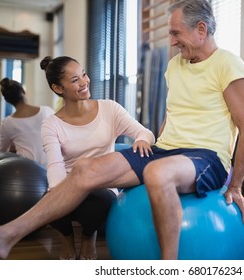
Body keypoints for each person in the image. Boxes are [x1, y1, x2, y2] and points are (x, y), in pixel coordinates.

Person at [0, 0, 244, 260]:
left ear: (201, 29)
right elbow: (172, 115)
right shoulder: (175, 66)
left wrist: (236, 186)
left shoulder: (229, 65)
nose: (171, 42)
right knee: (84, 169)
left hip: (206, 157)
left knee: (157, 173)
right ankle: (6, 234)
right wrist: (156, 143)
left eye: (175, 34)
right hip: (166, 150)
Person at [40, 56, 155, 260]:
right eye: (75, 80)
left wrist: (143, 140)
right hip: (70, 186)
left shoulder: (109, 109)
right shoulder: (52, 124)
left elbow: (145, 133)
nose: (84, 81)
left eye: (83, 74)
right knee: (46, 201)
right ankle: (66, 237)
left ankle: (88, 236)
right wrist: (58, 197)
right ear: (59, 89)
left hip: (100, 189)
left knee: (97, 203)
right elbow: (55, 166)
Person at [0, 78, 54, 166]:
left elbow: (0, 151)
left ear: (6, 100)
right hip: (52, 165)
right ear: (23, 91)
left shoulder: (7, 123)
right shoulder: (47, 111)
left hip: (28, 169)